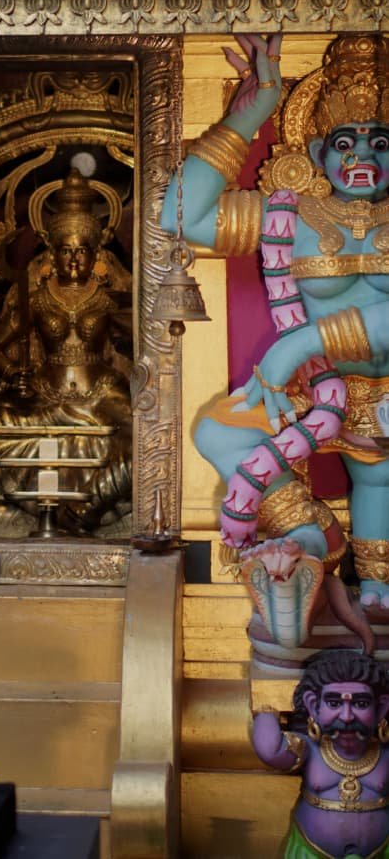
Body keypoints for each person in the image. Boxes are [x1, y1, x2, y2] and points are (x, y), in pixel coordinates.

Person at [161, 34, 389, 614]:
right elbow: (181, 216)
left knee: (380, 489)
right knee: (219, 431)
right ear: (315, 154)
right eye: (345, 142)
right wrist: (249, 118)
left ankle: (378, 590)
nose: (362, 156)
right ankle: (311, 536)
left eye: (380, 142)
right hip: (313, 387)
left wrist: (309, 338)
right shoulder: (291, 213)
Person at [0, 168, 132, 533]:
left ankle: (90, 504)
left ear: (96, 253)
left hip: (101, 392)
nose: (75, 261)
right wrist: (11, 371)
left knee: (145, 431)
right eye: (66, 252)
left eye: (82, 251)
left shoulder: (110, 299)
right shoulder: (37, 299)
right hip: (47, 393)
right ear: (53, 253)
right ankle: (53, 510)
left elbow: (140, 344)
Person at [253, 650, 389, 858]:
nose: (346, 716)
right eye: (334, 703)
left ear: (381, 708)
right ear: (313, 706)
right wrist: (266, 707)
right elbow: (271, 752)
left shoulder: (384, 754)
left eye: (361, 704)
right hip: (311, 850)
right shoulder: (310, 749)